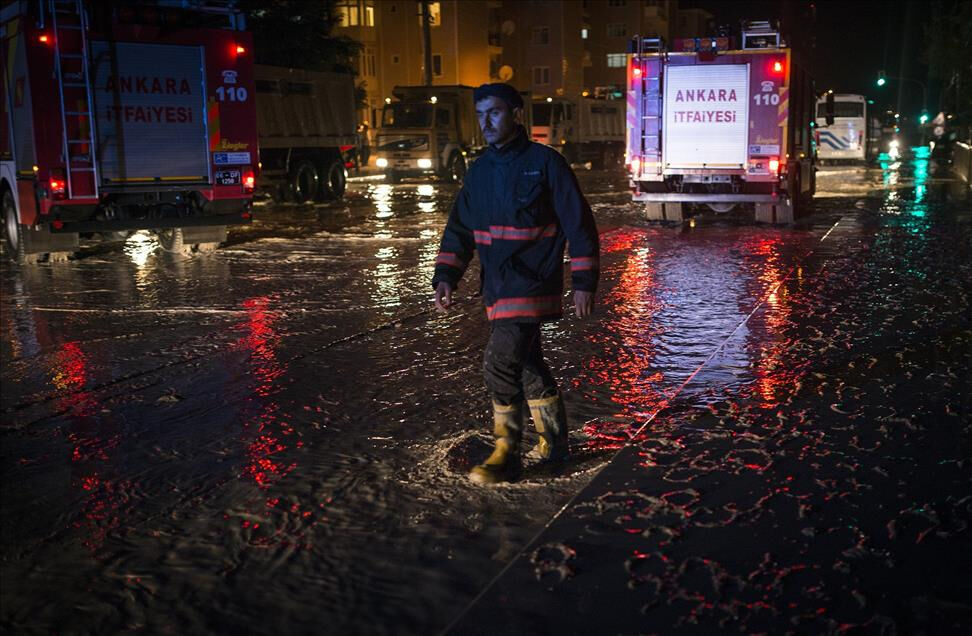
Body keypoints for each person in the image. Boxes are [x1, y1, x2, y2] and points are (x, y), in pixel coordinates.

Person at [431, 83, 600, 485]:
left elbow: (579, 224)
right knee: (526, 363)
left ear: (515, 114)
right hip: (498, 287)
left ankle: (506, 454)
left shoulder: (546, 163)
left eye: (494, 112)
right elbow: (460, 229)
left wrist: (584, 281)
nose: (486, 122)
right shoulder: (480, 171)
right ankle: (555, 444)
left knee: (499, 363)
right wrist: (446, 275)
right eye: (480, 114)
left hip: (532, 283)